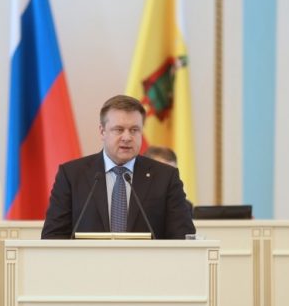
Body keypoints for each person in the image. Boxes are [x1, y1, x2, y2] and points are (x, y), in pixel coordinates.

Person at [41, 95, 196, 239]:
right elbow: (53, 237)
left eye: (134, 130)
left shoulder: (165, 177)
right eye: (119, 130)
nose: (127, 137)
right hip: (88, 260)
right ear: (102, 132)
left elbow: (183, 237)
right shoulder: (72, 175)